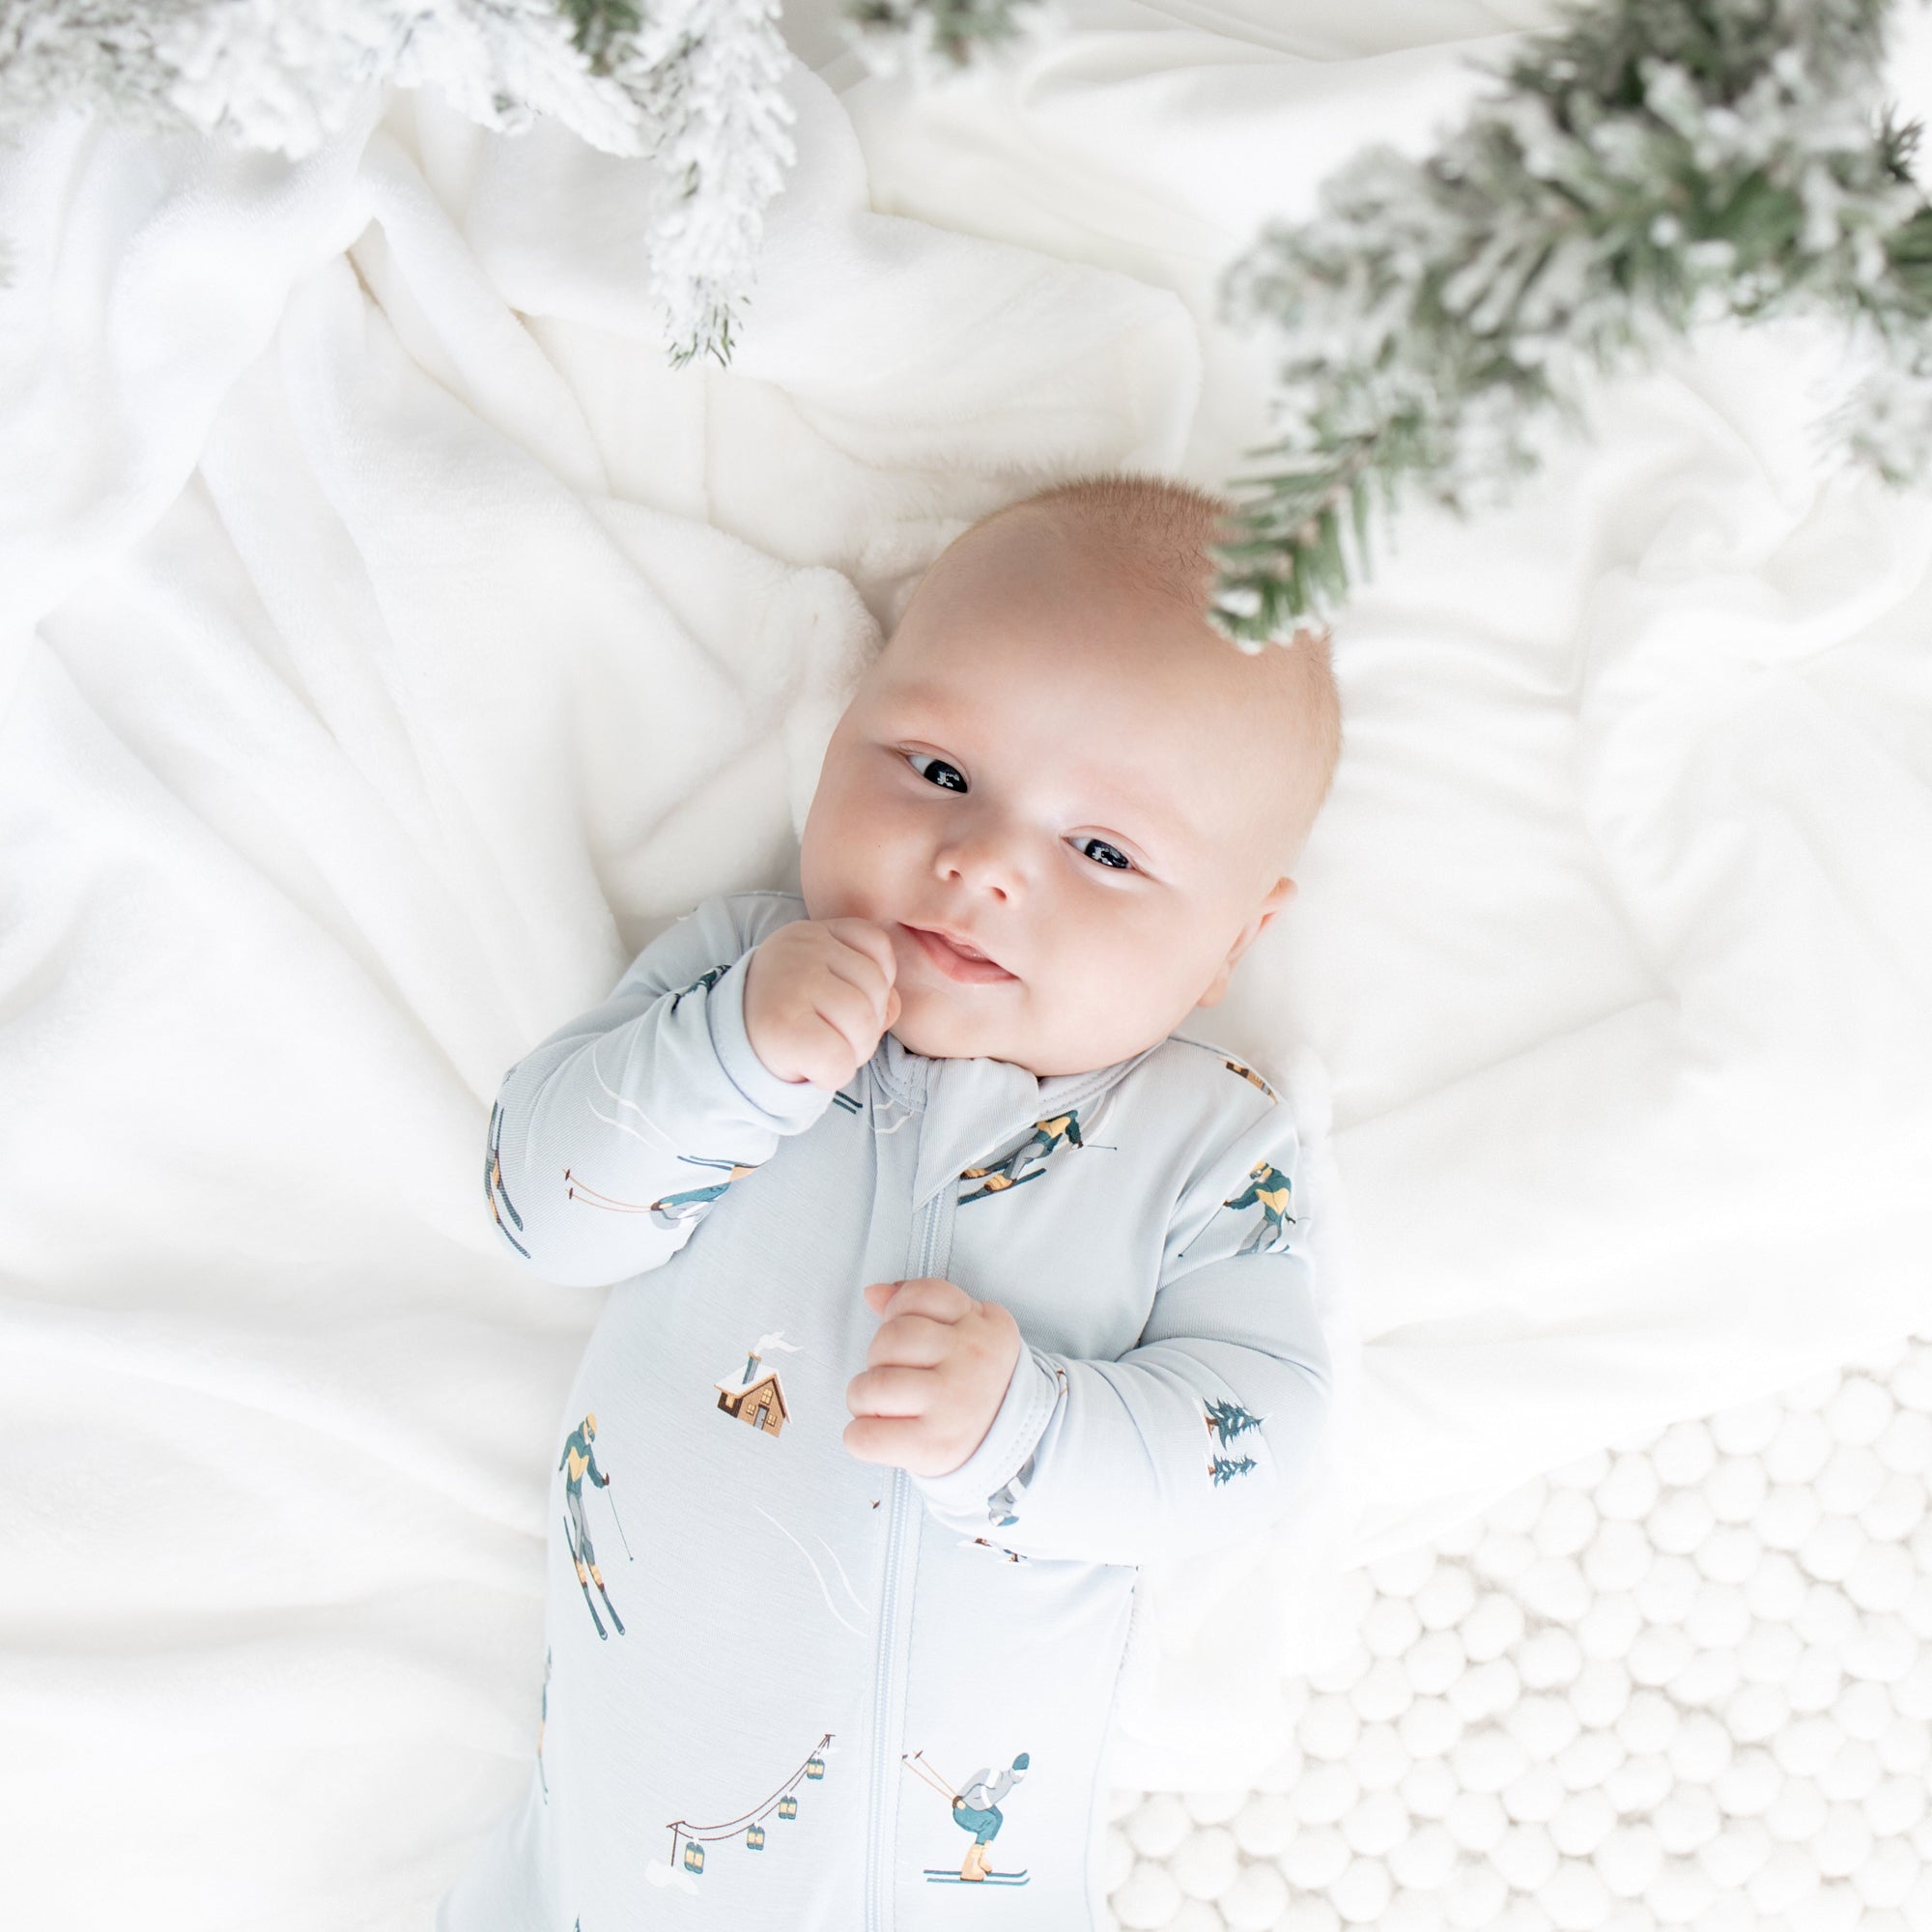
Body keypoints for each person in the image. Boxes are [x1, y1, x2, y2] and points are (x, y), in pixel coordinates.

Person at [441, 471, 1347, 1930]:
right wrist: (731, 1057)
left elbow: (1266, 1435)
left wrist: (1031, 1432)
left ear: (1233, 939)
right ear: (839, 742)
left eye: (1104, 853)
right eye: (936, 771)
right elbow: (540, 1203)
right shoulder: (735, 977)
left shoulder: (1203, 1145)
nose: (982, 863)